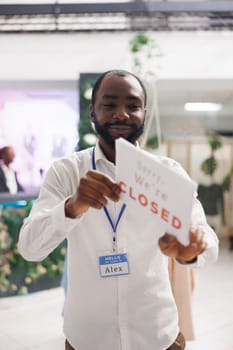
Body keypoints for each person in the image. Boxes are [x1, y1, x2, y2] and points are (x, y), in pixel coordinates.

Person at [18, 69, 218, 350]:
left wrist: (190, 251)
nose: (121, 114)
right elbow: (29, 248)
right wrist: (72, 206)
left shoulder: (167, 173)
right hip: (87, 339)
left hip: (158, 336)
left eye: (133, 105)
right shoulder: (66, 172)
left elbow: (208, 241)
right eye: (109, 104)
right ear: (92, 112)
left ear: (144, 114)